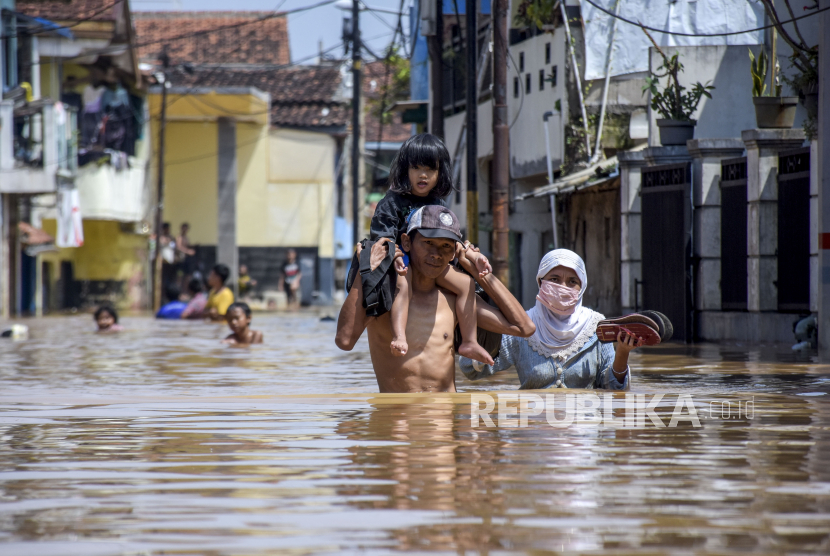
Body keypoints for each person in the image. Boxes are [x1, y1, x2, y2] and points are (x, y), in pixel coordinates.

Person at [335, 207, 535, 393]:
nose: (436, 254)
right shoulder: (386, 299)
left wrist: (480, 272)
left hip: (445, 423)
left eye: (445, 246)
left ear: (452, 253)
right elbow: (344, 341)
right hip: (398, 424)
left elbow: (524, 328)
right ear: (406, 243)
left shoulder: (454, 300)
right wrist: (365, 271)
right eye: (428, 243)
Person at [368, 133, 492, 363]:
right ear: (406, 169)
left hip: (432, 262)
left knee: (466, 284)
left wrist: (471, 255)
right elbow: (381, 234)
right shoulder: (392, 201)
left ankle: (469, 341)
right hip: (403, 260)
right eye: (416, 168)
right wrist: (394, 254)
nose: (423, 175)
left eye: (430, 169)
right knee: (403, 284)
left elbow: (452, 239)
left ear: (440, 173)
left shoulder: (438, 204)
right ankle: (399, 335)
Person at [459, 249, 643, 390]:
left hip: (583, 434)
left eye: (572, 281)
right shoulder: (523, 328)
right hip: (535, 433)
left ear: (582, 286)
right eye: (554, 279)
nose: (563, 287)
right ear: (540, 282)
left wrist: (623, 353)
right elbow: (471, 370)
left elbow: (613, 389)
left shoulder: (596, 326)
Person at [175, 222, 196, 286]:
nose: (184, 230)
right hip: (180, 260)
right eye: (183, 228)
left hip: (186, 259)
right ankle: (178, 290)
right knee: (180, 275)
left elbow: (187, 246)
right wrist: (188, 251)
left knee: (188, 276)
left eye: (186, 229)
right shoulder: (179, 237)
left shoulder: (186, 238)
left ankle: (185, 291)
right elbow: (179, 247)